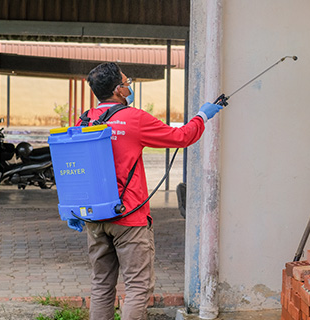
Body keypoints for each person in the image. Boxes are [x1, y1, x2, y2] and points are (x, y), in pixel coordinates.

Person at [67, 62, 222, 320]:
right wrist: (203, 115)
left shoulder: (85, 120)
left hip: (94, 217)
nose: (130, 87)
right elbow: (181, 137)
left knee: (102, 285)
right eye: (127, 83)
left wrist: (74, 209)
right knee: (138, 287)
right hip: (130, 217)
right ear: (118, 90)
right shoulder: (133, 118)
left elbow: (74, 167)